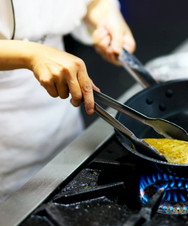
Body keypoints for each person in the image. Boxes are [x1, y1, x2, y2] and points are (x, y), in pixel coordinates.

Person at [0, 0, 136, 202]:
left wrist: (105, 14)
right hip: (6, 133)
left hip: (61, 108)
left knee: (67, 182)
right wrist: (31, 54)